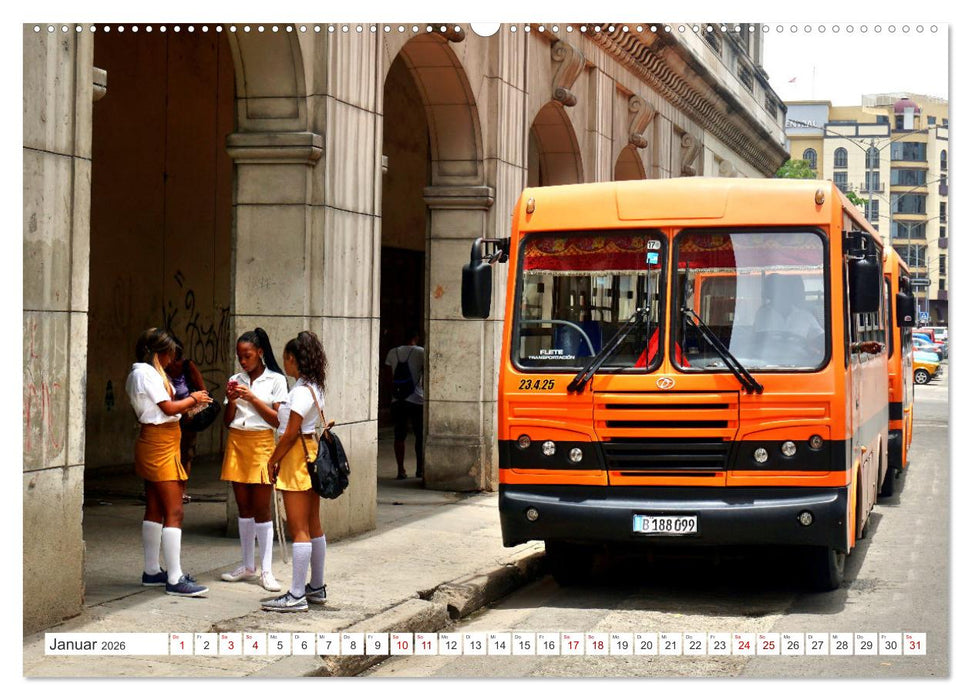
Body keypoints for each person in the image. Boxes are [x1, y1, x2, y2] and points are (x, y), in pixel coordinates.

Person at [125, 327, 212, 597]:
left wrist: (189, 405)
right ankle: (174, 578)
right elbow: (168, 408)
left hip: (158, 441)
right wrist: (193, 398)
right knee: (175, 511)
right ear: (160, 352)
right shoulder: (145, 374)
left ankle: (152, 571)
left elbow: (168, 408)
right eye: (170, 354)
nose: (172, 360)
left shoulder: (143, 373)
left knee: (155, 508)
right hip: (160, 443)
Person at [262, 331, 329, 612]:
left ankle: (297, 594)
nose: (284, 364)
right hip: (309, 453)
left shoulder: (300, 392)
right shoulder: (315, 387)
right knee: (313, 524)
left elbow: (289, 434)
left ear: (293, 359)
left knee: (298, 527)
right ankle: (317, 586)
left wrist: (272, 460)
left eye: (286, 359)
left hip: (296, 458)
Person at [220, 328, 289, 593]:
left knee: (262, 508)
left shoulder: (275, 380)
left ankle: (267, 570)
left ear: (260, 353)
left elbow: (277, 420)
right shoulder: (235, 379)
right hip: (238, 441)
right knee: (244, 507)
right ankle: (247, 565)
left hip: (262, 443)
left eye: (247, 355)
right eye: (240, 356)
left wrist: (252, 398)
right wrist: (233, 400)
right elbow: (228, 421)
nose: (243, 361)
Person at [164, 336, 206, 504]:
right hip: (166, 420)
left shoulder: (187, 367)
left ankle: (181, 490)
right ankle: (166, 490)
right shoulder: (159, 370)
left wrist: (191, 413)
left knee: (186, 454)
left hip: (187, 419)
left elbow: (204, 394)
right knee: (167, 455)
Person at [385, 330, 424, 480]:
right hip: (416, 399)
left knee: (399, 436)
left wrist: (395, 394)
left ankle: (401, 469)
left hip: (398, 400)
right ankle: (420, 469)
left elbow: (388, 377)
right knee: (419, 436)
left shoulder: (392, 352)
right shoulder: (421, 352)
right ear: (416, 337)